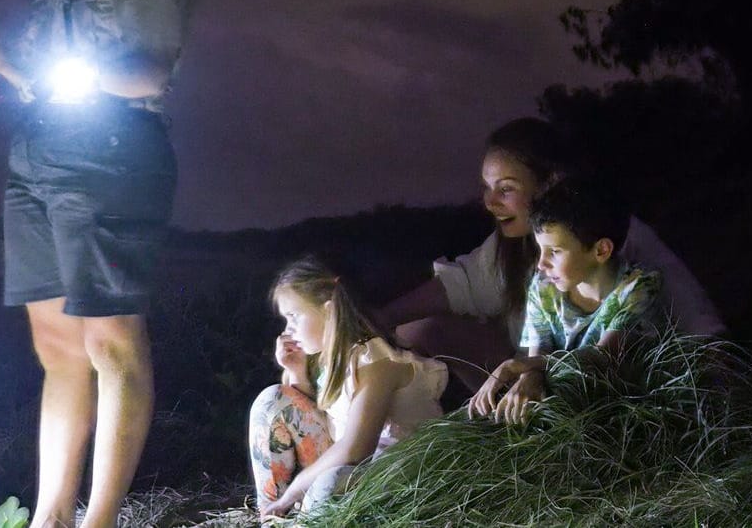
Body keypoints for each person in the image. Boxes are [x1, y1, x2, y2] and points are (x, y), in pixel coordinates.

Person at [0, 0, 195, 528]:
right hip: (39, 148)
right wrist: (8, 62)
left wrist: (40, 67)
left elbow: (150, 66)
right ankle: (52, 514)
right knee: (58, 343)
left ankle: (100, 518)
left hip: (110, 152)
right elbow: (46, 69)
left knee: (111, 336)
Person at [376, 118, 724, 391]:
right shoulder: (515, 250)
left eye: (506, 189)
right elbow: (463, 284)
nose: (490, 202)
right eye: (486, 188)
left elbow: (697, 322)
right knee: (418, 331)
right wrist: (377, 319)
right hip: (547, 370)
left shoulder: (611, 237)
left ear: (549, 182)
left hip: (618, 378)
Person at [248, 256, 448, 519]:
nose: (289, 330)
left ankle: (299, 516)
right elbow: (320, 419)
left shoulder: (376, 360)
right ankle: (273, 518)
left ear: (329, 310)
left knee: (329, 483)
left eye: (294, 316)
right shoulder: (332, 359)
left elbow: (356, 448)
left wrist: (294, 491)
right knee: (272, 401)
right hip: (358, 468)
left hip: (401, 474)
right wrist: (295, 371)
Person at [468, 177, 667, 424]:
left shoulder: (638, 287)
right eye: (541, 250)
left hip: (621, 410)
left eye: (555, 251)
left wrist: (516, 366)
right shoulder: (544, 286)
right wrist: (528, 374)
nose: (541, 263)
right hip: (565, 404)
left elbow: (603, 357)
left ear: (601, 250)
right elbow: (537, 356)